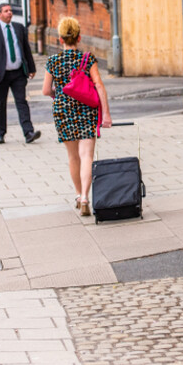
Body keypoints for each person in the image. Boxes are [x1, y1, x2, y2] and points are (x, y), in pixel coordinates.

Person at [42, 17, 112, 216]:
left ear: (60, 39)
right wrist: (106, 113)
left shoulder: (53, 61)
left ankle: (77, 194)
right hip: (86, 111)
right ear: (79, 37)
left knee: (73, 157)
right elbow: (99, 85)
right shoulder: (87, 59)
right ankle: (85, 198)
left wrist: (60, 95)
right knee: (87, 156)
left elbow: (46, 90)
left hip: (63, 112)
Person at [0, 3, 40, 145]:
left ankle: (28, 132)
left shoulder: (19, 28)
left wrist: (31, 68)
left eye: (10, 11)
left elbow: (26, 49)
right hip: (1, 74)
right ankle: (0, 133)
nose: (9, 13)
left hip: (18, 72)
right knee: (0, 103)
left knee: (22, 102)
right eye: (6, 11)